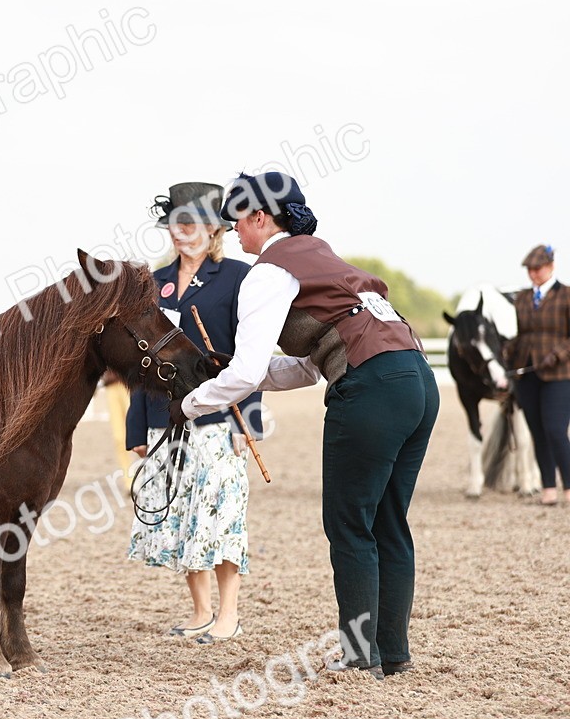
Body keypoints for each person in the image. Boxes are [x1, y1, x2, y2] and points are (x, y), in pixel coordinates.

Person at [168, 171, 439, 678]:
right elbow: (305, 367)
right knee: (389, 521)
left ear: (259, 218)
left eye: (239, 223)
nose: (237, 235)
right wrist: (228, 372)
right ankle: (392, 654)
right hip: (417, 381)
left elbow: (251, 372)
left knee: (349, 525)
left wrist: (190, 404)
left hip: (371, 391)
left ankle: (360, 658)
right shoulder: (326, 259)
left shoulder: (268, 272)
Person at [126, 182, 262, 645]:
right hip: (163, 417)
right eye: (174, 225)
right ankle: (201, 611)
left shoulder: (239, 277)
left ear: (212, 228)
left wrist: (251, 415)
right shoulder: (155, 280)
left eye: (189, 224)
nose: (180, 233)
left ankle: (229, 614)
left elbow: (251, 353)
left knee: (222, 515)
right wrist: (136, 425)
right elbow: (140, 357)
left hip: (220, 416)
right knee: (182, 517)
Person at [504, 245, 570, 507]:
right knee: (538, 431)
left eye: (537, 268)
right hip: (527, 372)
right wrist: (509, 349)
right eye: (529, 270)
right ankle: (548, 486)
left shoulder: (566, 296)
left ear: (551, 266)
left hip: (559, 373)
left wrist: (557, 354)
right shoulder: (521, 299)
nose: (533, 274)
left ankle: (568, 485)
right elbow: (523, 334)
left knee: (555, 429)